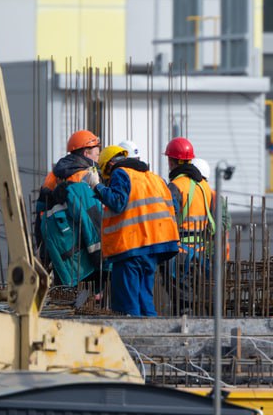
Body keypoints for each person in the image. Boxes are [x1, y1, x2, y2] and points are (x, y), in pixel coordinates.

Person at [90, 144, 180, 317]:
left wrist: (96, 186)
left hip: (131, 247)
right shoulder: (155, 178)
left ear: (109, 165)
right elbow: (174, 207)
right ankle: (152, 338)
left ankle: (132, 340)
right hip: (154, 247)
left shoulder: (121, 173)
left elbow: (117, 202)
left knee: (127, 303)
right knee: (144, 299)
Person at [164, 138, 220, 314]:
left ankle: (184, 324)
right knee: (204, 298)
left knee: (183, 302)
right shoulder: (206, 187)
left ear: (172, 161)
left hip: (180, 252)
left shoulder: (175, 186)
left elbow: (168, 219)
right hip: (203, 251)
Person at [34, 130, 101, 250]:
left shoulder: (53, 174)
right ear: (86, 153)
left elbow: (40, 208)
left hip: (56, 234)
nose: (98, 158)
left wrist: (41, 242)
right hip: (80, 238)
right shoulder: (88, 175)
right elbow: (95, 211)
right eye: (97, 155)